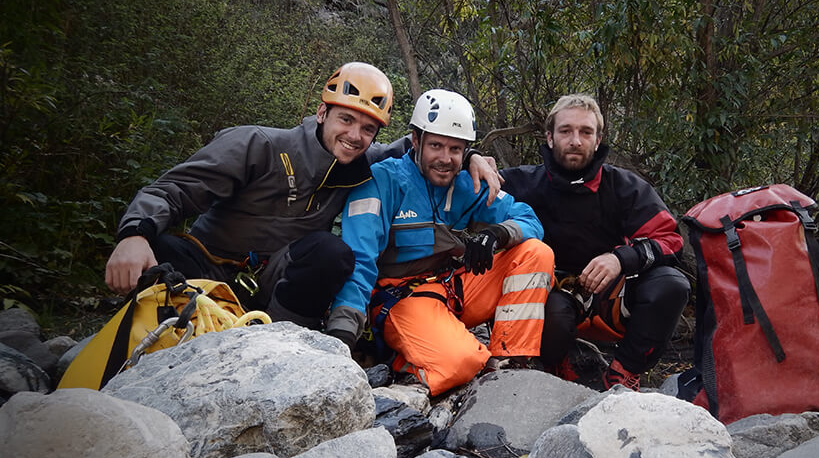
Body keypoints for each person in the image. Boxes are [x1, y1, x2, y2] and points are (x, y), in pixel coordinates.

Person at [104, 62, 500, 328]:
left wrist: (473, 158)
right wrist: (134, 235)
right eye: (346, 118)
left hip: (274, 279)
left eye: (367, 128)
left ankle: (280, 340)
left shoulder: (362, 163)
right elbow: (175, 189)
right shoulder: (257, 145)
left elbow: (424, 152)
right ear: (322, 113)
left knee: (332, 253)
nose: (355, 135)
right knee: (158, 247)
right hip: (207, 265)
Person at [326, 89, 554, 395]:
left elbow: (530, 220)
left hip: (453, 288)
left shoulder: (467, 183)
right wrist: (341, 336)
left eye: (456, 149)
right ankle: (403, 362)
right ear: (416, 141)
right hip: (401, 298)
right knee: (462, 363)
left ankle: (510, 361)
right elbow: (360, 259)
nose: (445, 159)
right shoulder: (381, 182)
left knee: (535, 253)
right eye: (436, 146)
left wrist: (497, 233)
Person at [500, 93, 690, 390]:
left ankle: (623, 372)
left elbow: (670, 240)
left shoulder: (625, 187)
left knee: (672, 284)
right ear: (549, 138)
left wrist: (621, 258)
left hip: (611, 294)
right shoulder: (520, 183)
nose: (575, 140)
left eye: (585, 132)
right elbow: (445, 167)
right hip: (553, 295)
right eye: (566, 131)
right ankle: (552, 365)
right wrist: (474, 159)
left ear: (598, 139)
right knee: (554, 313)